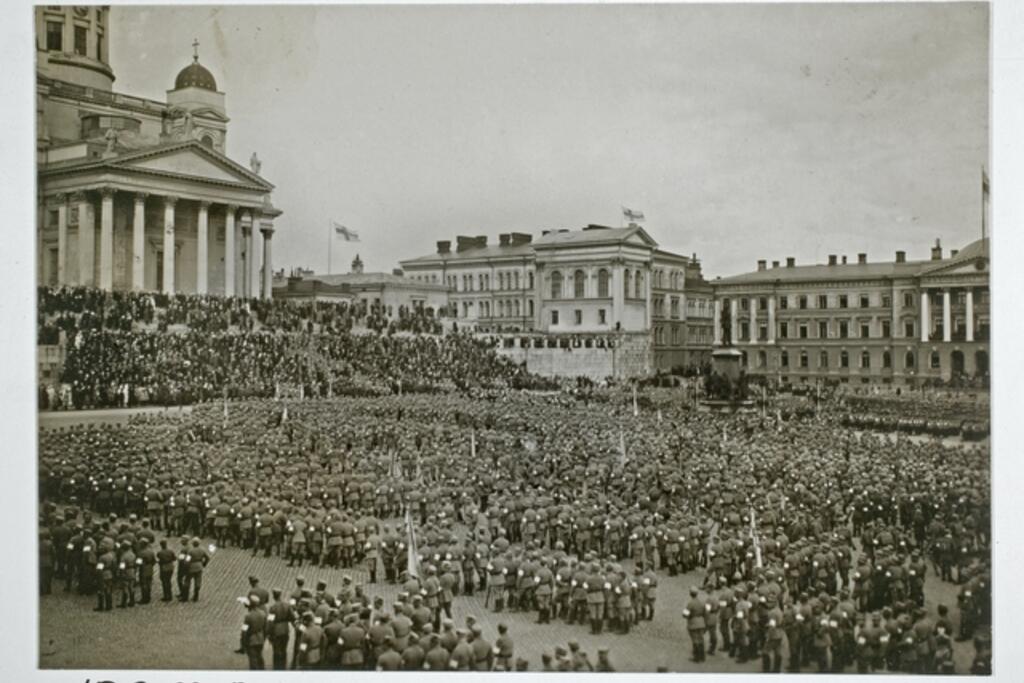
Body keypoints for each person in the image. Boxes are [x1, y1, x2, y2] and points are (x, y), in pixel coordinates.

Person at [267, 588, 293, 670]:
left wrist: (269, 634)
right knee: (284, 649)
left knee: (276, 652)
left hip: (276, 631)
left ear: (274, 596)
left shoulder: (273, 608)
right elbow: (291, 617)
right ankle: (283, 666)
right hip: (285, 630)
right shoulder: (287, 605)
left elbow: (270, 622)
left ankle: (277, 668)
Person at [241, 596, 268, 670]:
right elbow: (265, 628)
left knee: (253, 661)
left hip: (252, 640)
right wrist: (264, 638)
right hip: (261, 639)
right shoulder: (263, 614)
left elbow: (244, 631)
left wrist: (243, 644)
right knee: (260, 657)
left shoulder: (248, 616)